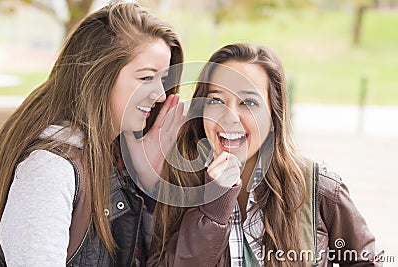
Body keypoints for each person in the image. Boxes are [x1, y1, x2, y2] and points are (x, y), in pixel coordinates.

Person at [148, 43, 383, 266]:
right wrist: (213, 207)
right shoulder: (178, 183)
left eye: (248, 102)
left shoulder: (318, 188)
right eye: (216, 100)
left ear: (273, 114)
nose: (229, 116)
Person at [0, 1, 184, 266]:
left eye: (163, 80)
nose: (160, 95)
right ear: (98, 75)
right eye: (145, 78)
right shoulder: (50, 169)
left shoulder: (114, 156)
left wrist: (146, 183)